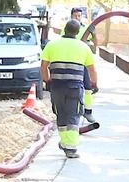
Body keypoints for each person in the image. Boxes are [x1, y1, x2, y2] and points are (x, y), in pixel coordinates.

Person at [41, 17, 99, 158]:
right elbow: (92, 69)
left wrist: (47, 81)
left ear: (64, 30)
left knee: (61, 114)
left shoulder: (52, 45)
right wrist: (94, 84)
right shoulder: (83, 47)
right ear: (77, 32)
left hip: (57, 87)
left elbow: (43, 66)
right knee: (73, 115)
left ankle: (65, 142)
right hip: (74, 87)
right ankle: (71, 147)